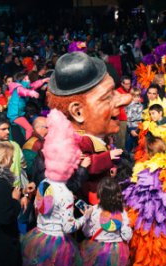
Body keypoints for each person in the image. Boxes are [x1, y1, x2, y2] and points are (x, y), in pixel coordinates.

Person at [46, 52, 131, 205]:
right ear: (78, 112)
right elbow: (84, 168)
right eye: (108, 96)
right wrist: (108, 158)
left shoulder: (95, 136)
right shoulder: (72, 146)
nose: (126, 99)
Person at [22, 109, 93, 266]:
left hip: (39, 236)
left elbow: (41, 208)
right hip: (58, 244)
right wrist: (86, 216)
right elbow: (69, 227)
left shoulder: (44, 183)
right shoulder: (66, 194)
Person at [80, 177, 133, 266]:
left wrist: (87, 218)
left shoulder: (93, 210)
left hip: (97, 251)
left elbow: (87, 233)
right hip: (117, 252)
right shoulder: (121, 212)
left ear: (99, 193)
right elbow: (126, 236)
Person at [115, 76, 132, 149]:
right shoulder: (117, 92)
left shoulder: (131, 90)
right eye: (126, 84)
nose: (128, 85)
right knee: (121, 138)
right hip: (122, 118)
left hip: (131, 118)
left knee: (128, 138)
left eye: (129, 83)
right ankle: (121, 154)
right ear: (122, 84)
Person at [125, 88, 143, 153]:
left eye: (138, 96)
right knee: (129, 142)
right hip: (132, 126)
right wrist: (130, 130)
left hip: (139, 126)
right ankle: (126, 154)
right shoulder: (130, 106)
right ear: (132, 97)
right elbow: (128, 119)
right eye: (135, 97)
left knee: (137, 143)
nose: (137, 98)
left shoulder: (141, 105)